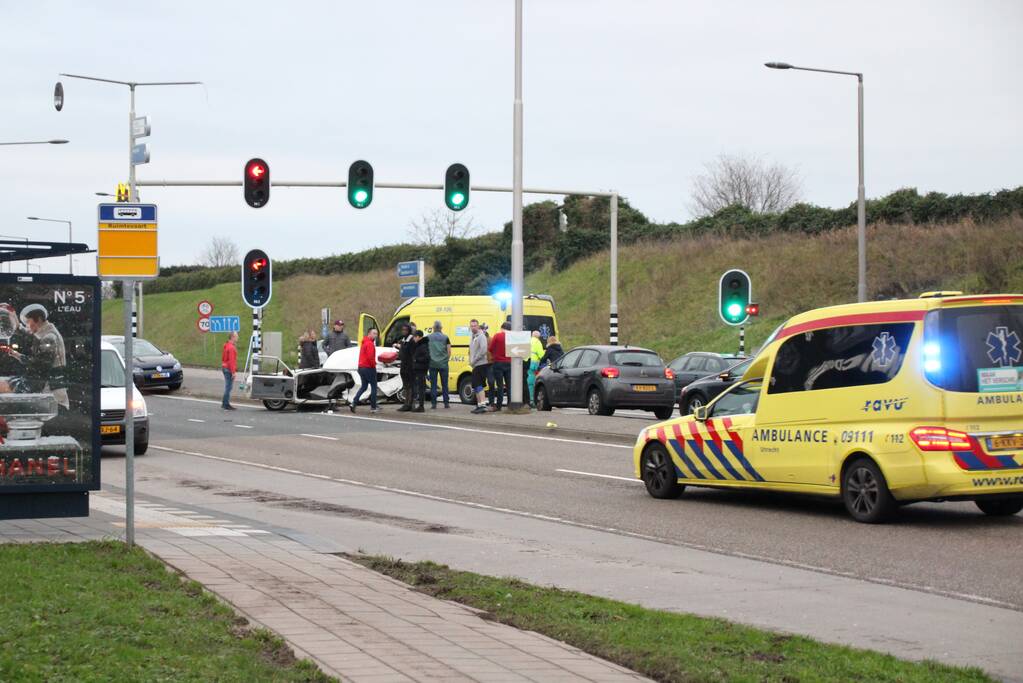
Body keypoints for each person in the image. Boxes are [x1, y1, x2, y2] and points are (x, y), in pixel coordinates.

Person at [350, 328, 380, 413]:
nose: (375, 335)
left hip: (361, 367)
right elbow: (370, 357)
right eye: (374, 333)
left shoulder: (364, 343)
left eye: (376, 334)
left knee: (364, 387)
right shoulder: (370, 344)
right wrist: (374, 365)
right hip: (369, 368)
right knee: (374, 387)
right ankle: (373, 407)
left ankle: (354, 403)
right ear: (369, 334)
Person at [427, 320, 452, 409]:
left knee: (433, 384)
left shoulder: (429, 337)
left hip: (432, 364)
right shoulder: (446, 338)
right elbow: (449, 351)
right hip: (443, 365)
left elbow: (427, 350)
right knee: (444, 384)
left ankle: (434, 404)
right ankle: (446, 403)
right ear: (441, 328)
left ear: (433, 328)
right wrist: (446, 360)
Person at [468, 319, 491, 414]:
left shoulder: (481, 336)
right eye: (471, 326)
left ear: (478, 326)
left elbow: (483, 350)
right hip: (475, 365)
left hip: (480, 364)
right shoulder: (473, 337)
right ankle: (479, 405)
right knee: (476, 385)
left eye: (474, 325)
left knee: (479, 385)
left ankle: (483, 405)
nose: (473, 327)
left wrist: (474, 360)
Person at [488, 321, 511, 410]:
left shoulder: (497, 336)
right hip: (509, 363)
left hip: (498, 363)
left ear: (502, 328)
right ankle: (510, 404)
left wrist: (496, 354)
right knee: (509, 385)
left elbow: (490, 348)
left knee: (500, 385)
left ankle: (499, 405)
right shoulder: (512, 337)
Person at [394, 323, 415, 412]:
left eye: (405, 330)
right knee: (406, 385)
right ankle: (407, 403)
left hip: (409, 366)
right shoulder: (403, 340)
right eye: (403, 330)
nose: (403, 331)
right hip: (403, 365)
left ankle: (409, 404)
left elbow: (412, 354)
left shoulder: (411, 340)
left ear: (409, 331)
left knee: (410, 386)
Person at [411, 329, 431, 412]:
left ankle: (421, 406)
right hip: (419, 368)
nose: (414, 339)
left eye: (415, 337)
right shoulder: (420, 344)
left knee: (421, 388)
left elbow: (427, 358)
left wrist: (416, 359)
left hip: (421, 369)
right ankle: (419, 405)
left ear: (418, 337)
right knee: (420, 388)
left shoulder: (422, 345)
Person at [221, 331, 238, 410]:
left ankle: (224, 403)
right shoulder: (231, 347)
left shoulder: (226, 345)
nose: (238, 337)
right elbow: (231, 361)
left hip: (224, 367)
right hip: (228, 369)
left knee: (228, 386)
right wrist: (233, 372)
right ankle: (225, 404)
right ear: (232, 337)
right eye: (236, 336)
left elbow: (224, 358)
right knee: (229, 387)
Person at [528, 330, 544, 407]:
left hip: (527, 362)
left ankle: (527, 399)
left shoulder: (528, 340)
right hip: (534, 364)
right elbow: (541, 354)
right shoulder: (537, 342)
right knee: (532, 383)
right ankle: (532, 400)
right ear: (538, 336)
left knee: (527, 381)